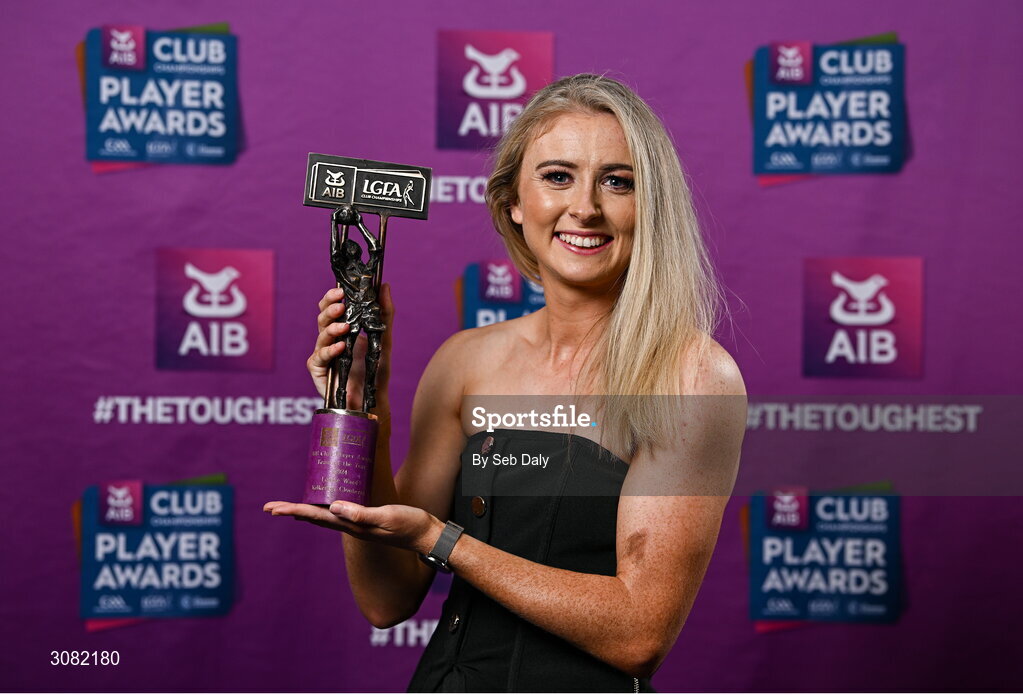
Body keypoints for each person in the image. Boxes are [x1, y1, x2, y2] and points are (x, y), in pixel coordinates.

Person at [265, 73, 746, 692]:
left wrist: (442, 539)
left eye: (618, 181)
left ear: (649, 208)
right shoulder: (465, 362)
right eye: (557, 176)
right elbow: (387, 599)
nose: (586, 207)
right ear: (513, 202)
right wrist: (362, 402)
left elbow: (639, 635)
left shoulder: (690, 377)